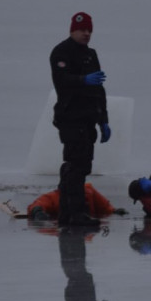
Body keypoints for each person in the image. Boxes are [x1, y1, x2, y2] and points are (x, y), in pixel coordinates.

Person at [50, 12, 111, 227]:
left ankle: (68, 213)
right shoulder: (61, 52)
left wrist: (103, 119)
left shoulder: (90, 55)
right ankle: (74, 215)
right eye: (82, 30)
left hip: (88, 119)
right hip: (70, 118)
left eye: (89, 31)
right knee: (75, 166)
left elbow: (99, 89)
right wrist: (83, 80)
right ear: (72, 30)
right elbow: (61, 80)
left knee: (82, 166)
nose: (86, 34)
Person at [28, 183, 127, 222]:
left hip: (85, 229)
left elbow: (105, 207)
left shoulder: (88, 191)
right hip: (69, 230)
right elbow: (38, 204)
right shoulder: (55, 197)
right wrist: (37, 211)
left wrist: (115, 211)